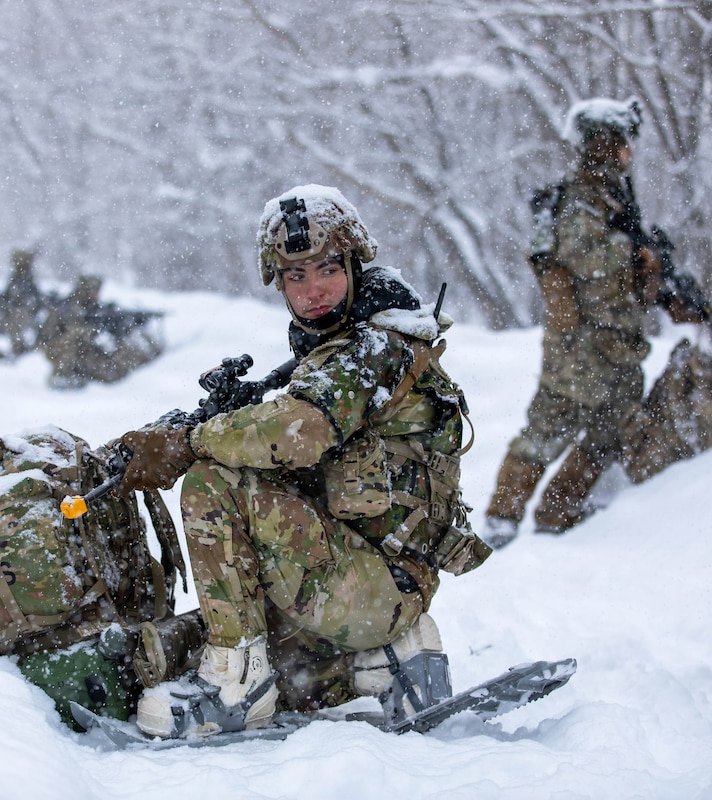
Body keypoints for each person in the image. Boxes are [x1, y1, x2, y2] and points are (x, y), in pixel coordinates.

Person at [113, 185, 488, 739]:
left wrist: (190, 442)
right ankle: (385, 661)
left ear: (355, 264)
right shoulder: (341, 348)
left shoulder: (377, 348)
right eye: (295, 277)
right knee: (166, 661)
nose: (313, 290)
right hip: (374, 583)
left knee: (212, 481)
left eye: (327, 270)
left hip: (375, 585)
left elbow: (302, 430)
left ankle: (239, 686)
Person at [482, 99, 674, 548]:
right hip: (584, 345)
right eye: (622, 143)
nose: (628, 153)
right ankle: (501, 521)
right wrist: (632, 252)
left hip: (615, 342)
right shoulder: (583, 195)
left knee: (608, 432)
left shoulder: (612, 194)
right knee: (548, 428)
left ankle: (557, 512)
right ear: (606, 143)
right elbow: (582, 254)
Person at [3, 249, 42, 357]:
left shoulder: (23, 279)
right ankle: (19, 348)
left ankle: (21, 348)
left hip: (28, 313)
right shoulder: (19, 279)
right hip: (22, 313)